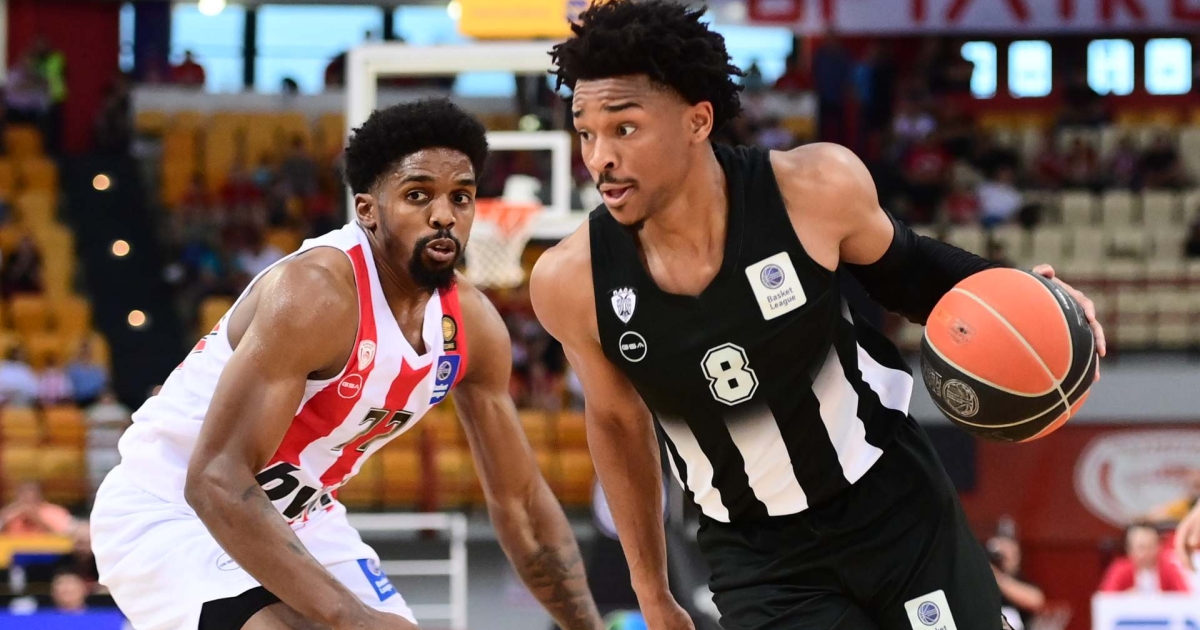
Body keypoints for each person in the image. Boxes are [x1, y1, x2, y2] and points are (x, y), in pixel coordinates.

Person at [531, 3, 1106, 629]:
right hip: (761, 559)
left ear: (698, 120)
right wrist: (651, 590)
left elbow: (911, 273)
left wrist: (1026, 297)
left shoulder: (811, 188)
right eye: (586, 133)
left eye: (624, 128)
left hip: (894, 505)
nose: (600, 157)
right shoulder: (572, 281)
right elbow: (617, 427)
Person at [90, 99, 604, 630]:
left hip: (299, 517)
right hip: (170, 509)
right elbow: (215, 480)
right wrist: (353, 619)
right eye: (418, 195)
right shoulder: (315, 293)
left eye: (461, 197)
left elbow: (522, 504)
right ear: (367, 210)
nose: (444, 215)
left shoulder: (471, 327)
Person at [1097, 523, 1190, 593]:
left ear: (1159, 547)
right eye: (1141, 548)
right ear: (1130, 550)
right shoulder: (1120, 569)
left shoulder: (1168, 568)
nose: (1146, 553)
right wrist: (1125, 597)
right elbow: (1106, 598)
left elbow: (1184, 595)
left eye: (1151, 547)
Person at [987, 536, 1044, 630]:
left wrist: (997, 577)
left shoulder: (1021, 580)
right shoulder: (986, 584)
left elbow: (1036, 600)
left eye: (1013, 553)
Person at [0, 482, 75, 536]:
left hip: (47, 551)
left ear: (40, 495)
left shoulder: (55, 512)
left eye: (31, 495)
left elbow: (65, 535)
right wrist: (7, 520)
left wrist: (36, 518)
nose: (27, 499)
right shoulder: (10, 512)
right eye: (24, 495)